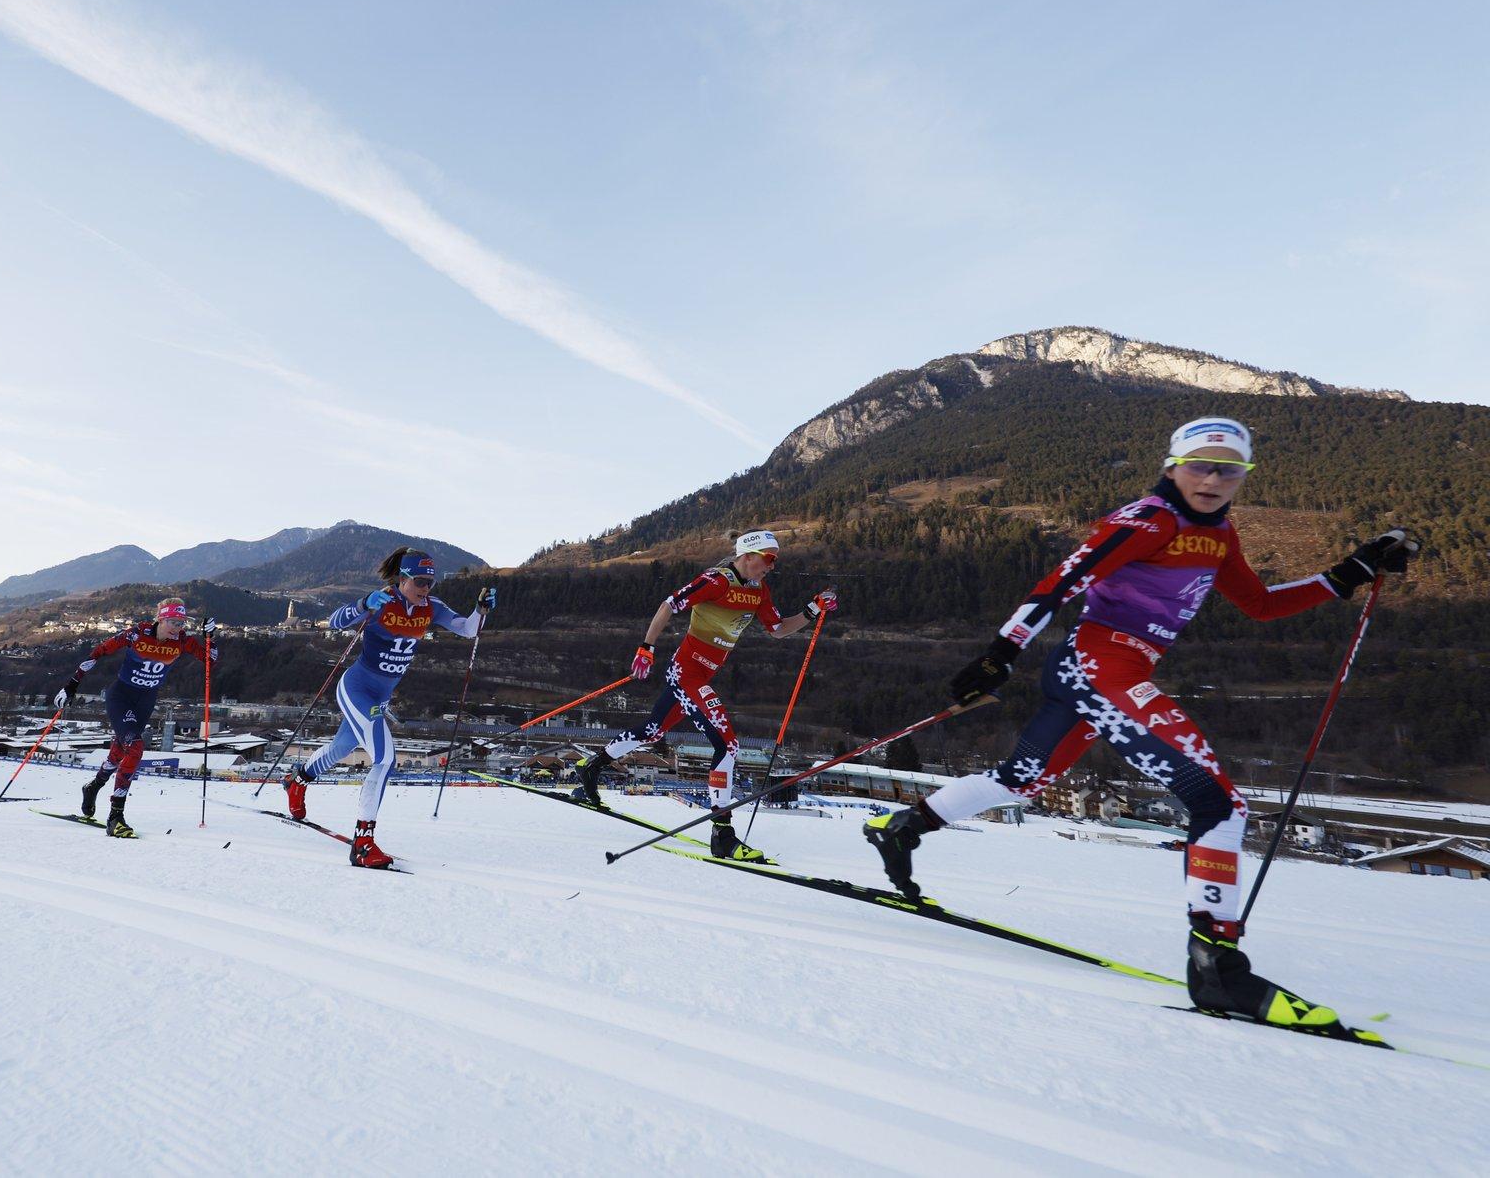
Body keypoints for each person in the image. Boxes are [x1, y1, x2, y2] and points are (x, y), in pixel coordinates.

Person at [863, 416, 1417, 1031]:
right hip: (1100, 666)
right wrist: (1000, 653)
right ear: (1173, 465)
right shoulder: (1148, 519)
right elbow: (1063, 581)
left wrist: (1352, 572)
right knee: (1219, 805)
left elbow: (1261, 605)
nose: (1213, 479)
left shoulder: (1220, 534)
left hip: (1099, 669)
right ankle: (1216, 971)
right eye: (1201, 465)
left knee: (1021, 780)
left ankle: (902, 826)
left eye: (1229, 469)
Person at [573, 529, 837, 861]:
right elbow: (669, 604)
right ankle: (722, 833)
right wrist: (646, 647)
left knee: (653, 731)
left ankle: (592, 768)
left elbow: (779, 629)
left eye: (774, 562)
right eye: (768, 560)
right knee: (727, 744)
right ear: (747, 556)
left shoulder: (759, 591)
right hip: (687, 673)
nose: (770, 567)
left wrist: (813, 609)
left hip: (700, 675)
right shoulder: (717, 581)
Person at [284, 548, 493, 867]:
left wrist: (480, 610)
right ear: (403, 578)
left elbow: (467, 629)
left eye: (430, 583)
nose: (425, 588)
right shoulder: (384, 600)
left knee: (342, 747)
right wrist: (363, 603)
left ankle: (298, 781)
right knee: (385, 758)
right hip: (356, 688)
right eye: (420, 581)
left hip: (379, 696)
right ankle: (363, 843)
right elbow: (337, 621)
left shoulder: (431, 608)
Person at [54, 598, 217, 838]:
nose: (177, 627)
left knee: (121, 751)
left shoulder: (182, 641)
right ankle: (115, 816)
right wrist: (72, 684)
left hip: (146, 701)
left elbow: (209, 661)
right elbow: (99, 651)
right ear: (160, 618)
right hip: (121, 696)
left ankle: (93, 786)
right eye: (172, 621)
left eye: (181, 622)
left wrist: (211, 638)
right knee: (136, 747)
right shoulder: (136, 635)